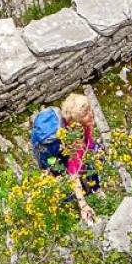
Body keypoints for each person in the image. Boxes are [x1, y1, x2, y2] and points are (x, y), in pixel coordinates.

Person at [32, 92, 101, 224]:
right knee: (62, 179)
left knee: (90, 160)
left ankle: (94, 188)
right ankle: (72, 201)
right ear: (76, 122)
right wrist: (83, 204)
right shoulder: (74, 141)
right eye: (86, 114)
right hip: (55, 157)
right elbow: (73, 173)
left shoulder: (79, 126)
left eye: (89, 110)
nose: (91, 114)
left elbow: (88, 139)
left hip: (67, 149)